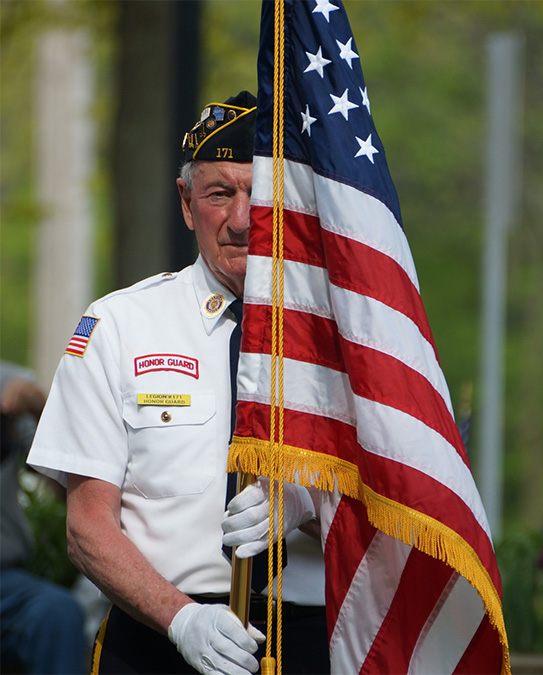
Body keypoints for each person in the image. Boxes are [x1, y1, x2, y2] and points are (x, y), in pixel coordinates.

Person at [27, 91, 330, 675]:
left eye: (261, 195)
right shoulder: (119, 327)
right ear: (187, 204)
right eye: (220, 194)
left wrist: (308, 503)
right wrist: (181, 618)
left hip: (311, 640)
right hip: (157, 636)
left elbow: (398, 507)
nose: (244, 220)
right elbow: (87, 525)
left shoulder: (343, 344)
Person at [0, 362, 88, 674]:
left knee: (58, 612)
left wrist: (41, 410)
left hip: (6, 584)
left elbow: (67, 494)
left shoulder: (8, 384)